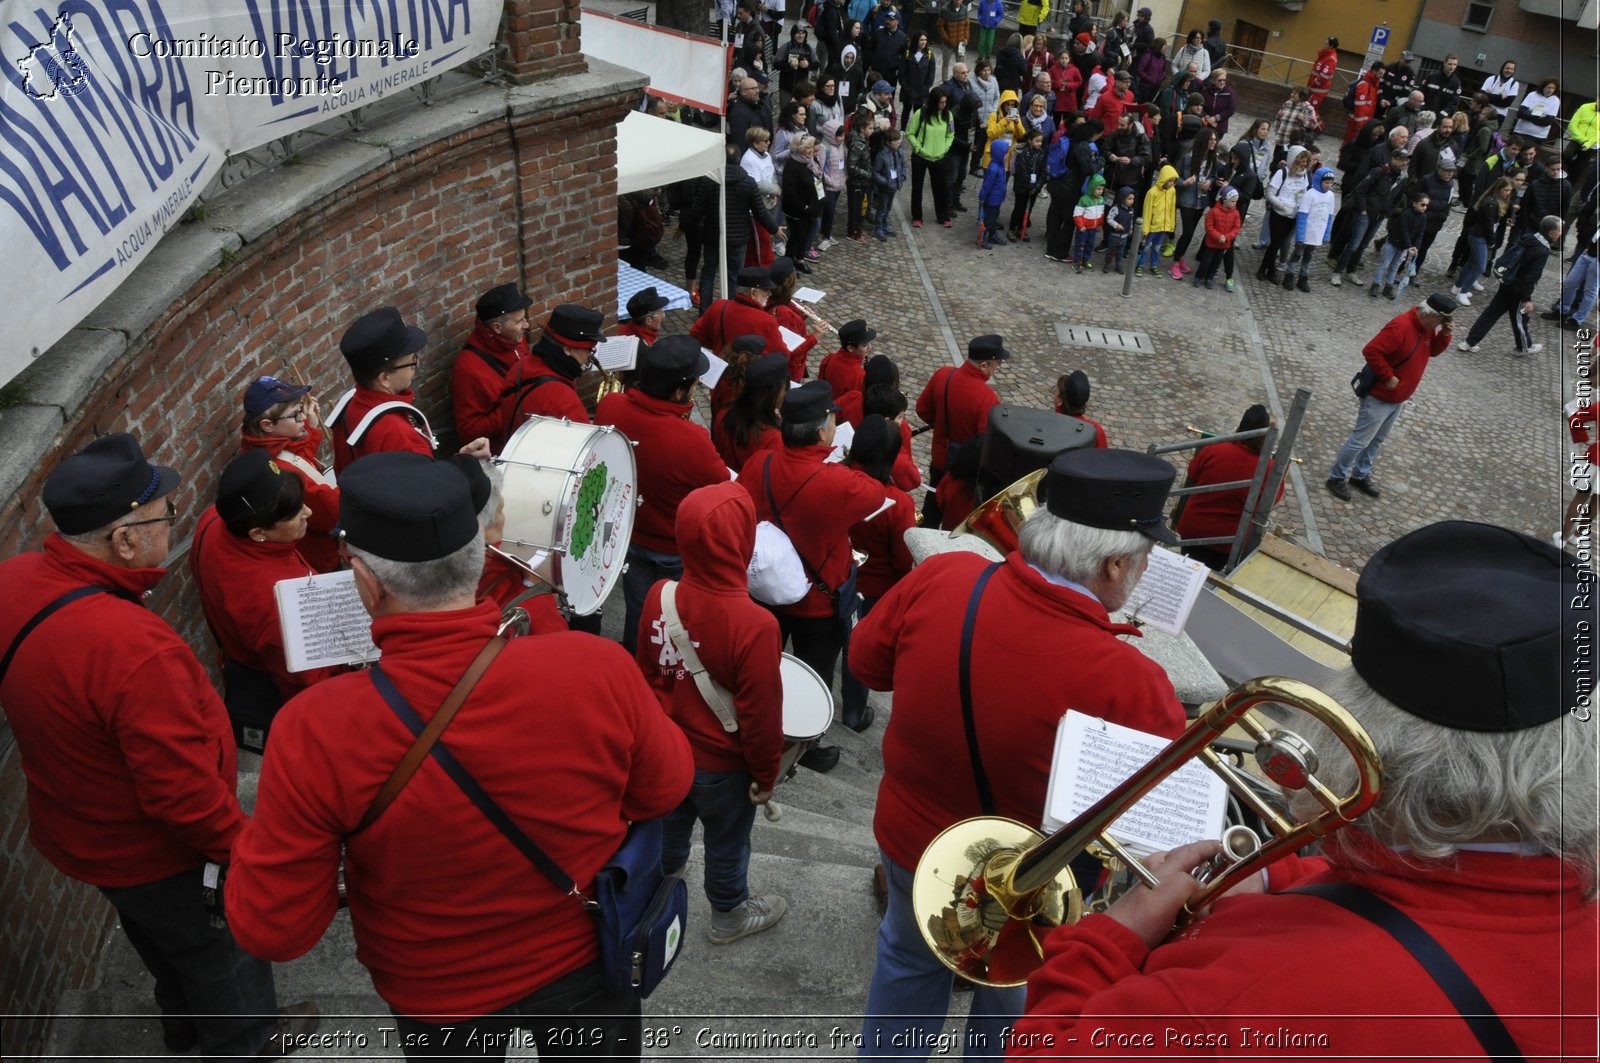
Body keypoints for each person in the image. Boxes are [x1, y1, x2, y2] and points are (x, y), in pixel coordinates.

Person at [1013, 517, 1598, 1057]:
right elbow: (1460, 888)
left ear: (1360, 732)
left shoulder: (1237, 1004)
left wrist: (1108, 939)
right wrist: (1275, 875)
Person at [225, 452, 693, 1061]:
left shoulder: (312, 730)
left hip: (435, 991)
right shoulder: (596, 666)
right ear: (480, 554)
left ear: (365, 582)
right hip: (585, 952)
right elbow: (665, 789)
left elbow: (276, 930)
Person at [852, 448, 1189, 1062]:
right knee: (1012, 993)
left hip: (910, 840)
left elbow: (865, 664)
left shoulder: (942, 577)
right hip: (1029, 885)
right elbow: (1148, 822)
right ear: (1115, 565)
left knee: (905, 959)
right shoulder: (1131, 681)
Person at [0, 434, 315, 1059]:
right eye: (164, 516)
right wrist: (241, 848)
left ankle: (181, 1022)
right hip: (158, 852)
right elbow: (183, 795)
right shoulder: (135, 651)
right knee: (223, 953)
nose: (172, 524)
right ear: (123, 540)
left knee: (158, 939)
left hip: (83, 833)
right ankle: (246, 1042)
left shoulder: (13, 580)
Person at [637, 481, 788, 945]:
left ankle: (655, 889)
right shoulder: (756, 624)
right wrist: (766, 775)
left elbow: (647, 677)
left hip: (666, 749)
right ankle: (727, 915)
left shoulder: (659, 594)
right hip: (724, 766)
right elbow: (761, 716)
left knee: (669, 825)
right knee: (727, 844)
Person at [737, 380, 887, 775]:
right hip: (816, 603)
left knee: (762, 664)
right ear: (823, 431)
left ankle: (753, 728)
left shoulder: (760, 463)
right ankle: (804, 747)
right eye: (833, 419)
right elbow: (875, 493)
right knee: (813, 675)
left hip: (762, 590)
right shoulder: (838, 484)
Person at [190, 450, 341, 751]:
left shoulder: (216, 519)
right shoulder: (279, 607)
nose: (309, 513)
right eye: (295, 513)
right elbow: (307, 684)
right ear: (258, 533)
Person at [596, 336, 729, 655]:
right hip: (672, 547)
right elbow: (721, 484)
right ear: (679, 391)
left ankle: (634, 667)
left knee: (639, 614)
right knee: (673, 621)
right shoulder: (692, 439)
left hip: (628, 534)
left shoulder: (610, 406)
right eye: (695, 383)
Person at [1327, 293, 1455, 501]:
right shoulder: (1401, 326)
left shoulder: (1427, 329)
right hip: (1380, 397)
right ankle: (1336, 477)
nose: (1444, 323)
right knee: (1360, 440)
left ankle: (1360, 475)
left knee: (1376, 440)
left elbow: (1432, 352)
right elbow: (1371, 351)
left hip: (1398, 398)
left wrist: (1445, 335)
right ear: (1432, 315)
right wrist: (1388, 376)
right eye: (1443, 320)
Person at [839, 414, 915, 732]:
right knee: (857, 649)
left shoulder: (834, 478)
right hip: (873, 590)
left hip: (832, 577)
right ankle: (853, 713)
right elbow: (902, 560)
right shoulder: (899, 503)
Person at [238, 375, 340, 573]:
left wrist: (309, 427)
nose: (302, 418)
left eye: (301, 409)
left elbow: (298, 457)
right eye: (295, 415)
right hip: (318, 555)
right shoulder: (282, 471)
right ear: (268, 425)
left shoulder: (263, 446)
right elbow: (332, 513)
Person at [1172, 404, 1283, 570]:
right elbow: (1267, 504)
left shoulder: (1214, 448)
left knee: (1187, 568)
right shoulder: (1268, 469)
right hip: (1226, 540)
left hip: (1193, 527)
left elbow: (1193, 474)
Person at [328, 306, 437, 474]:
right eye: (412, 361)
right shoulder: (401, 437)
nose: (418, 365)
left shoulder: (348, 407)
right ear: (384, 378)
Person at [916, 334, 1006, 526]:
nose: (998, 367)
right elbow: (986, 442)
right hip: (965, 471)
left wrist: (941, 424)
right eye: (997, 363)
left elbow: (922, 410)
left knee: (931, 509)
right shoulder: (987, 398)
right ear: (984, 365)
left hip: (940, 458)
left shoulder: (943, 375)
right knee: (956, 517)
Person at [1459, 214, 1563, 357]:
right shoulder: (1542, 250)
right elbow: (1532, 276)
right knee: (1520, 319)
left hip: (1507, 282)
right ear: (1551, 232)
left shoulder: (1528, 237)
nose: (1561, 233)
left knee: (1491, 314)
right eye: (1560, 230)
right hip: (1518, 289)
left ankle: (1469, 342)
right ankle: (1524, 347)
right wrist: (1527, 298)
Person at [499, 303, 605, 431]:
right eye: (589, 349)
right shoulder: (565, 401)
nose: (589, 355)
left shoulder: (520, 366)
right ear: (567, 349)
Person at [452, 283, 531, 453]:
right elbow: (468, 430)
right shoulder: (469, 370)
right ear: (497, 327)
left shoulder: (515, 339)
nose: (527, 325)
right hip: (507, 452)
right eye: (519, 321)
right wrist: (518, 406)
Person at [692, 265, 789, 356]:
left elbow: (696, 334)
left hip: (720, 368)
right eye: (767, 290)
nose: (770, 294)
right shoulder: (766, 321)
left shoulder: (719, 305)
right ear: (753, 292)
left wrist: (719, 347)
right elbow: (782, 354)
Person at [716, 351, 789, 469]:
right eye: (784, 388)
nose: (785, 393)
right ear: (772, 393)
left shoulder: (725, 412)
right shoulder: (772, 437)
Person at [906, 85, 956, 227]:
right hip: (920, 157)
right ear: (934, 102)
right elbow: (910, 133)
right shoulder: (920, 113)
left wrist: (945, 149)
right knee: (917, 187)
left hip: (939, 158)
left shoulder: (948, 115)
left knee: (940, 188)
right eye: (941, 102)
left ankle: (943, 216)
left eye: (945, 102)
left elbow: (950, 134)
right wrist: (918, 148)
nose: (943, 105)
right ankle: (917, 216)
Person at [819, 318, 877, 422]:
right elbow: (855, 405)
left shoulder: (831, 357)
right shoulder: (858, 375)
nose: (869, 347)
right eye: (864, 345)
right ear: (850, 348)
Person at [1192, 184, 1242, 291]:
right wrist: (1218, 236)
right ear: (1225, 200)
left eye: (1236, 201)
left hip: (1224, 244)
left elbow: (1236, 228)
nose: (1235, 203)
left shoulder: (1236, 214)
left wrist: (1227, 237)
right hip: (1212, 243)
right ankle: (1199, 276)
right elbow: (1209, 227)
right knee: (1206, 262)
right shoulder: (1213, 212)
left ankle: (1209, 278)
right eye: (1233, 201)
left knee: (1216, 263)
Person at [1055, 369, 1108, 446]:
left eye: (1056, 391)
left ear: (1060, 400)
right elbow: (1102, 456)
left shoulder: (1050, 424)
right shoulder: (1095, 430)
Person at [1513, 77, 1562, 144]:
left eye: (1553, 88)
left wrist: (1530, 115)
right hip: (1521, 131)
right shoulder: (1532, 95)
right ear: (1543, 87)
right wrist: (1538, 116)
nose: (1550, 90)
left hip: (1538, 136)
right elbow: (1521, 113)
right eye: (1549, 87)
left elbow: (1548, 121)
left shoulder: (1555, 100)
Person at [1421, 53, 1462, 117]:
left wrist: (1443, 113)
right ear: (1444, 63)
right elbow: (1421, 92)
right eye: (1450, 64)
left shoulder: (1456, 83)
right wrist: (1422, 106)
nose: (1452, 67)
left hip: (1440, 117)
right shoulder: (1432, 77)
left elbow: (1454, 102)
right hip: (1425, 112)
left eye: (1454, 64)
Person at [1306, 37, 1338, 117]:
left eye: (1326, 44)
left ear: (1331, 46)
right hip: (1313, 89)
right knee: (1309, 111)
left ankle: (1315, 128)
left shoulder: (1330, 58)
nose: (1324, 45)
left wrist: (1313, 83)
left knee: (1310, 113)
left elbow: (1324, 76)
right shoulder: (1324, 55)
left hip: (1318, 91)